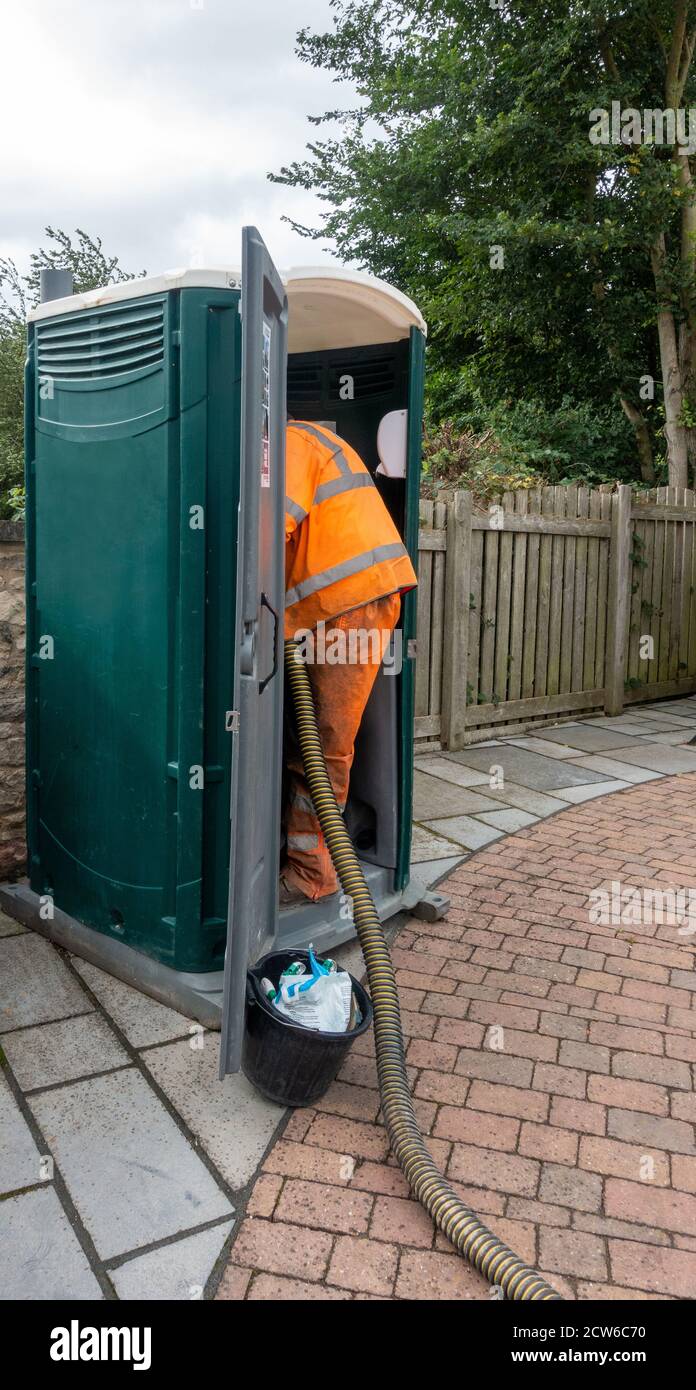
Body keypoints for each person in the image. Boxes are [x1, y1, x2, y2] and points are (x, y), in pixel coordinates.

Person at [281, 419, 417, 904]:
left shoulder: (289, 441)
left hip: (349, 602)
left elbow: (267, 528)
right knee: (308, 738)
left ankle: (311, 874)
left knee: (321, 745)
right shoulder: (306, 440)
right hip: (340, 602)